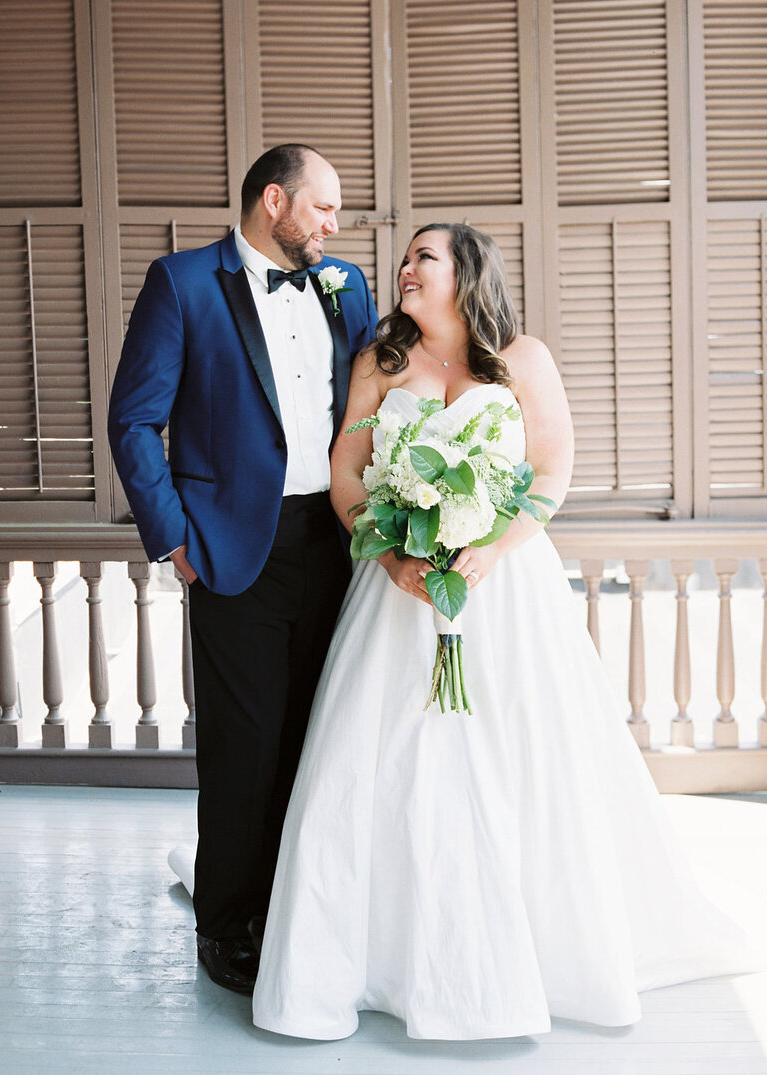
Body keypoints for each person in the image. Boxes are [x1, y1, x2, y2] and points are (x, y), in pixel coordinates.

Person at [247, 223, 754, 1040]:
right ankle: (369, 957)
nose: (406, 269)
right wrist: (390, 556)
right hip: (398, 592)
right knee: (383, 760)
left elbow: (552, 469)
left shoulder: (523, 359)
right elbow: (346, 471)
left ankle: (546, 953)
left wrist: (488, 547)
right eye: (405, 258)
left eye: (425, 257)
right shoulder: (380, 363)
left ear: (467, 273)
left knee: (524, 757)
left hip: (506, 588)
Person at [107, 144, 378, 996]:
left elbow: (379, 401)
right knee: (244, 745)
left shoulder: (349, 287)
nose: (336, 224)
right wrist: (174, 537)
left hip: (336, 541)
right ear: (274, 201)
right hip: (230, 548)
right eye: (324, 206)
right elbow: (133, 420)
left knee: (316, 734)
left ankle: (297, 910)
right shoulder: (182, 283)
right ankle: (226, 925)